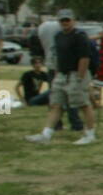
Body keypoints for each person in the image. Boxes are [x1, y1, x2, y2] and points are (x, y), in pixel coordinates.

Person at [24, 10, 98, 144]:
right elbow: (59, 56)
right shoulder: (58, 36)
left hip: (76, 74)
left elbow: (84, 58)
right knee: (56, 104)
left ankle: (90, 134)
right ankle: (46, 135)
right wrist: (58, 73)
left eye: (67, 20)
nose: (65, 23)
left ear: (73, 21)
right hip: (61, 74)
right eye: (62, 20)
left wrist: (80, 77)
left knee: (83, 104)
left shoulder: (79, 36)